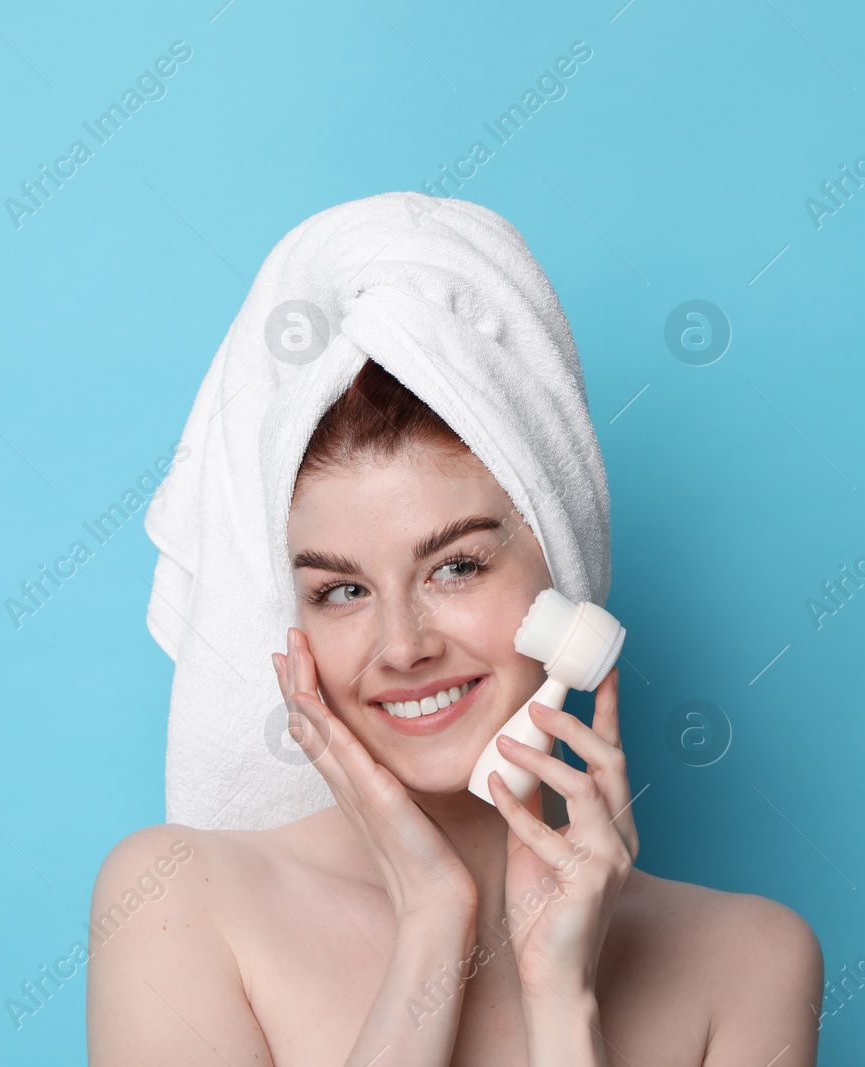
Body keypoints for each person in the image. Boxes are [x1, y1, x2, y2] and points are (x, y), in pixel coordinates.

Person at [87, 356, 823, 1065]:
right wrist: (432, 922)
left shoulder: (750, 962)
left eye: (456, 567)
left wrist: (565, 1002)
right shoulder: (180, 902)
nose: (402, 647)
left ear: (559, 576)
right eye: (342, 590)